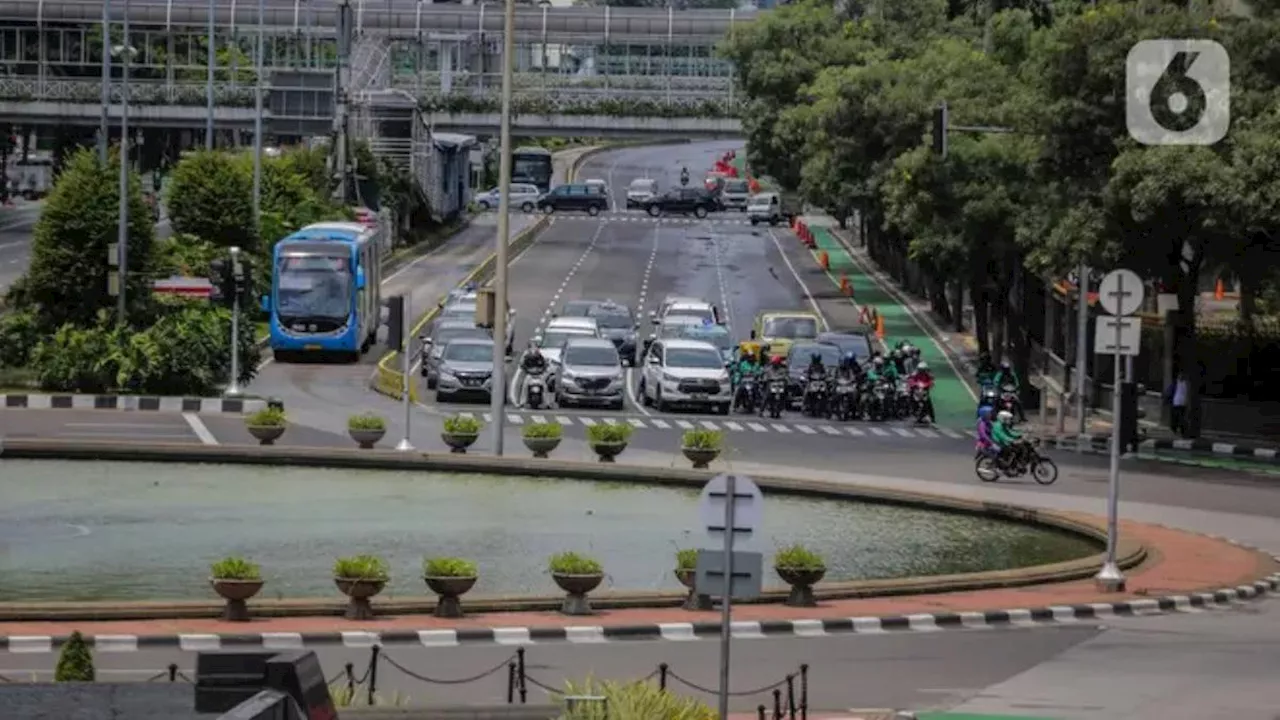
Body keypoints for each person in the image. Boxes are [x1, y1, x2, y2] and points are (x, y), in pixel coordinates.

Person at [518, 340, 548, 407]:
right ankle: (522, 402)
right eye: (532, 347)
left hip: (539, 375)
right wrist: (527, 369)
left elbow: (544, 364)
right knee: (524, 386)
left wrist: (542, 369)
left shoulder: (540, 356)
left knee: (545, 387)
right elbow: (522, 364)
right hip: (530, 375)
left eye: (535, 347)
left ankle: (547, 403)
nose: (534, 349)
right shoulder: (526, 356)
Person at [1167, 371, 1188, 436]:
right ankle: (1174, 429)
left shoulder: (1186, 383)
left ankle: (1182, 431)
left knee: (1182, 418)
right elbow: (1169, 391)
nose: (1181, 377)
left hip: (1183, 403)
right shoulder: (1175, 383)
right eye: (1180, 375)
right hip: (1175, 402)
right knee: (1175, 417)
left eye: (1182, 375)